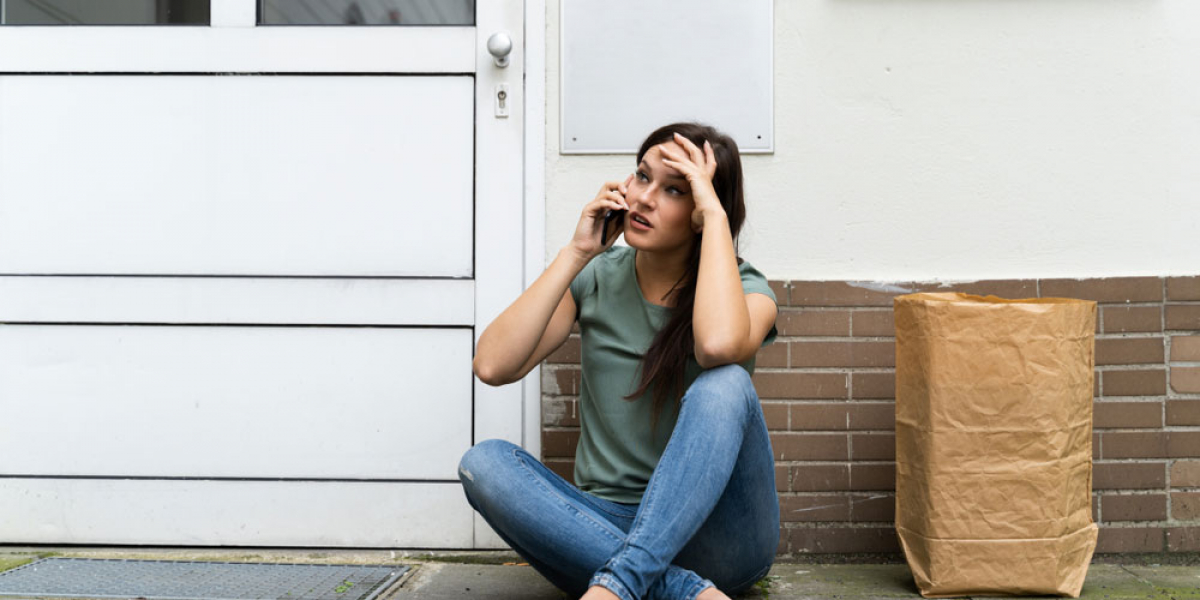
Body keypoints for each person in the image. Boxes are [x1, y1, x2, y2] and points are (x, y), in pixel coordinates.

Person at [462, 121, 780, 600]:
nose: (644, 198)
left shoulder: (747, 290)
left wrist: (716, 220)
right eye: (641, 176)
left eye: (675, 189)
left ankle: (622, 582)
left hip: (717, 536)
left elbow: (716, 346)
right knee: (483, 463)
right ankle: (678, 591)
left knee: (726, 382)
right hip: (603, 528)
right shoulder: (596, 276)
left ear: (701, 210)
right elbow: (492, 365)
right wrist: (576, 253)